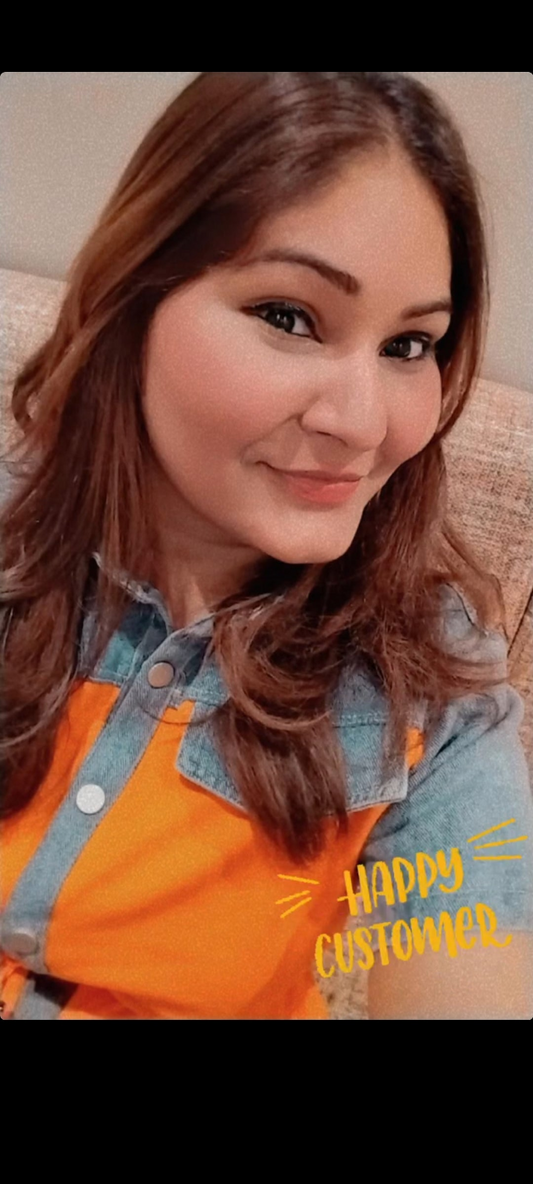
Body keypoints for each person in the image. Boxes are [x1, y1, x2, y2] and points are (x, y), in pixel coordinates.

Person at [1, 71, 532, 1021]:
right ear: (133, 296)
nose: (361, 423)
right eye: (290, 317)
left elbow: (470, 939)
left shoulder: (427, 681)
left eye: (409, 345)